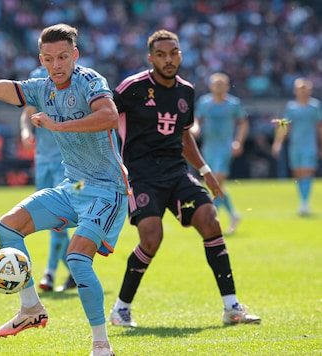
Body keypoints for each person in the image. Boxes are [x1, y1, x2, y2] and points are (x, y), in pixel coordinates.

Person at [0, 24, 130, 356]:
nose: (57, 64)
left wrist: (59, 125)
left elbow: (108, 116)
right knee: (6, 226)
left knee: (77, 260)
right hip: (72, 185)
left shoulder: (90, 81)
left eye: (63, 57)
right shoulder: (40, 88)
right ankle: (31, 308)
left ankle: (101, 345)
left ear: (74, 55)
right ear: (41, 59)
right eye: (49, 58)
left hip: (107, 190)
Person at [109, 29, 260, 328]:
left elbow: (184, 137)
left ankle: (232, 308)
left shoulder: (186, 91)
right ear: (151, 58)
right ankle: (121, 309)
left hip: (176, 172)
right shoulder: (131, 88)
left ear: (180, 55)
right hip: (141, 175)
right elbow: (104, 120)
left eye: (173, 53)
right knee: (151, 239)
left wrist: (205, 173)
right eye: (161, 55)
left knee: (210, 220)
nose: (168, 59)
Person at [19, 65, 75, 293]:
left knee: (57, 218)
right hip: (42, 159)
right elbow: (27, 113)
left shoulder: (75, 77)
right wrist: (25, 131)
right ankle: (74, 271)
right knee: (52, 219)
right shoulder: (36, 77)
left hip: (66, 160)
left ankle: (49, 273)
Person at [192, 73, 249, 234]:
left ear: (226, 86)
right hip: (208, 147)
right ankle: (233, 214)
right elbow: (197, 119)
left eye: (221, 84)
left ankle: (210, 218)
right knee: (214, 184)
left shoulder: (233, 104)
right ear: (210, 86)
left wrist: (238, 141)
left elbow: (244, 123)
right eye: (215, 84)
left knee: (216, 180)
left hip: (224, 147)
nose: (218, 86)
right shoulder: (204, 103)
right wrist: (195, 128)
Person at [271, 78, 322, 216]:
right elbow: (285, 127)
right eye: (300, 88)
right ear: (295, 90)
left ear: (310, 90)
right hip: (295, 146)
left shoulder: (315, 106)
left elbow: (319, 127)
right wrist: (278, 143)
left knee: (307, 172)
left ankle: (305, 202)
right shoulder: (291, 107)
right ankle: (302, 200)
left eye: (305, 87)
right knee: (298, 173)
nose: (302, 90)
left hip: (310, 145)